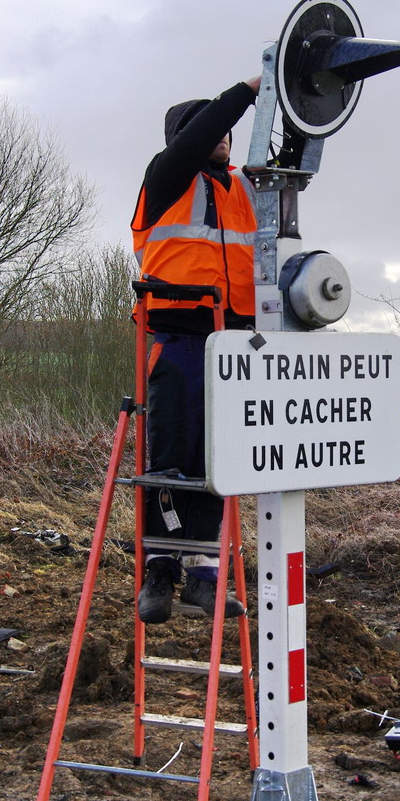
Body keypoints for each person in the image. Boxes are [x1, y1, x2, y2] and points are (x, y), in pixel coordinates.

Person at [131, 77, 261, 623]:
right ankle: (160, 571)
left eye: (229, 130)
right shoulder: (166, 177)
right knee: (171, 457)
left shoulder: (248, 187)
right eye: (214, 128)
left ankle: (205, 576)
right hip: (178, 338)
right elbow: (198, 136)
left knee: (218, 461)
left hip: (234, 342)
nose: (224, 135)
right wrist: (248, 89)